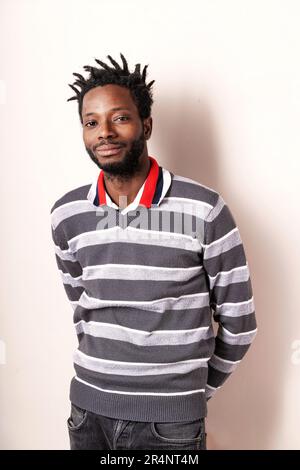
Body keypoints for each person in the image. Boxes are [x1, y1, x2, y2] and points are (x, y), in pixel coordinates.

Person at [50, 53, 257, 450]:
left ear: (146, 124)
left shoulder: (205, 210)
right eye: (91, 122)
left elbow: (240, 324)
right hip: (87, 414)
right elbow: (82, 310)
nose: (104, 132)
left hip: (171, 425)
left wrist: (189, 392)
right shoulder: (68, 214)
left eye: (120, 118)